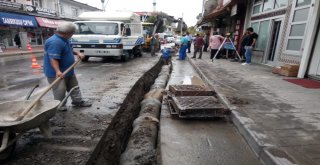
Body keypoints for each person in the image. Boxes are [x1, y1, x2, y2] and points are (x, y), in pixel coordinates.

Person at [43, 22, 92, 111]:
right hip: (57, 73)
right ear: (68, 33)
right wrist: (57, 71)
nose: (72, 35)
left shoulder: (64, 39)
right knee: (60, 90)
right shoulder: (55, 42)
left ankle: (77, 101)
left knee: (74, 87)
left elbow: (68, 50)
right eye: (72, 33)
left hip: (68, 71)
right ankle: (60, 105)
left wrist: (77, 53)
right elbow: (53, 59)